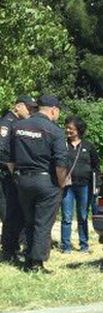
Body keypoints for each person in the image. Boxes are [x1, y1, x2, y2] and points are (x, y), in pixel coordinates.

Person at [9, 95, 68, 272]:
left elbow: (10, 158)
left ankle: (27, 257)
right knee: (43, 223)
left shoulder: (17, 127)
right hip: (45, 181)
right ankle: (36, 263)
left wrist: (17, 178)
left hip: (22, 180)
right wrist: (61, 184)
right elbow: (60, 163)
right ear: (53, 110)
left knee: (29, 220)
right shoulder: (55, 131)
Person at [0, 95, 37, 262]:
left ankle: (16, 246)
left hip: (12, 174)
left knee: (16, 212)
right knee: (9, 212)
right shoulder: (7, 123)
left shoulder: (19, 124)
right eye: (28, 108)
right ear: (18, 106)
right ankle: (8, 250)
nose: (30, 112)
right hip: (5, 175)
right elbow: (2, 151)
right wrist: (13, 167)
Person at [60, 116, 100, 254]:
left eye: (71, 128)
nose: (68, 130)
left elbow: (96, 166)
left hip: (84, 186)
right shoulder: (62, 145)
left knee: (83, 216)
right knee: (66, 216)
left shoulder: (88, 146)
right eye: (67, 127)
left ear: (79, 130)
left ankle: (84, 244)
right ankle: (65, 246)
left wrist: (97, 185)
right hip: (67, 187)